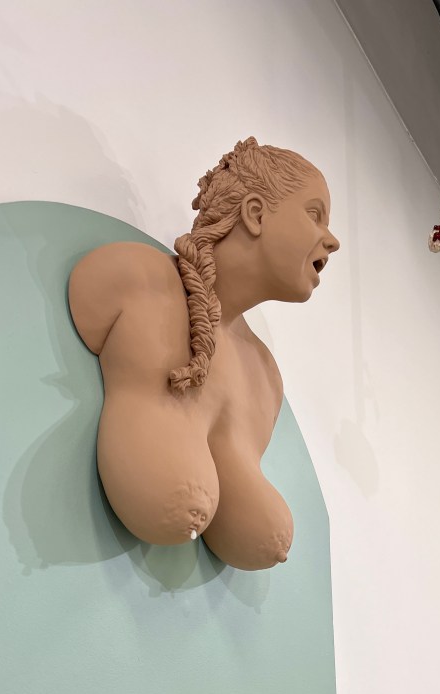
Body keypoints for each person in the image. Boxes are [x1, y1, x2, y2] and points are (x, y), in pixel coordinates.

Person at [68, 138, 339, 570]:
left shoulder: (266, 381)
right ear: (255, 214)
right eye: (314, 215)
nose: (333, 241)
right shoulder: (131, 281)